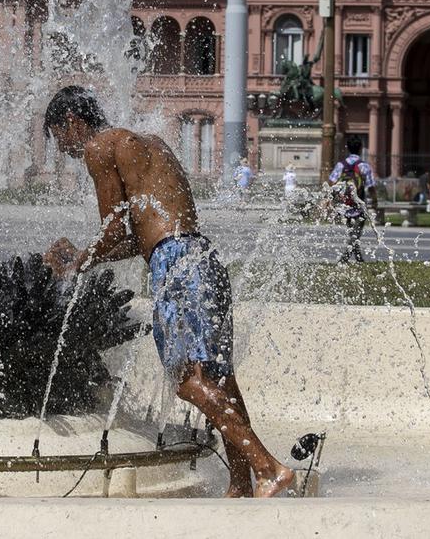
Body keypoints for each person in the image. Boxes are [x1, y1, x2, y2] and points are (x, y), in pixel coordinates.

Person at [40, 86, 294, 498]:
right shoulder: (150, 144)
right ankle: (240, 483)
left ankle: (268, 467)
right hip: (202, 256)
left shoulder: (100, 146)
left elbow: (112, 230)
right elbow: (135, 238)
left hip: (174, 264)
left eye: (58, 135)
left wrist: (76, 262)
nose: (61, 147)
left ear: (71, 122)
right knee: (219, 378)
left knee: (184, 379)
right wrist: (88, 257)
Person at [329, 137, 377, 263]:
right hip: (359, 205)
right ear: (361, 148)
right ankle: (344, 259)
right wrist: (375, 202)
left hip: (345, 206)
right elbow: (371, 187)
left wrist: (334, 200)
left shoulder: (341, 165)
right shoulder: (364, 166)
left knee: (353, 233)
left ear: (348, 148)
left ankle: (359, 259)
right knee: (355, 234)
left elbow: (332, 182)